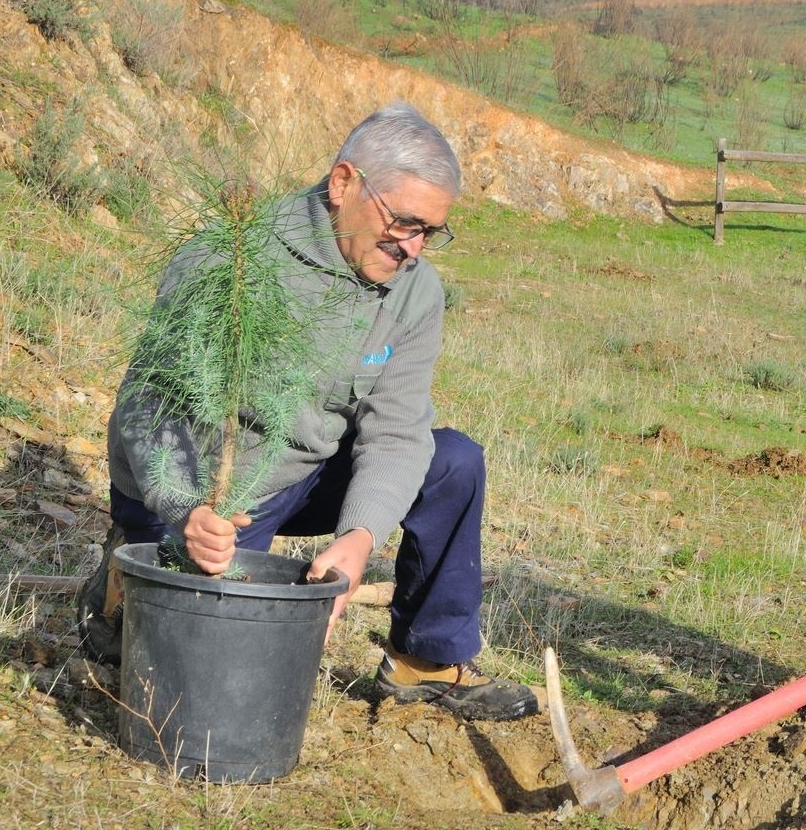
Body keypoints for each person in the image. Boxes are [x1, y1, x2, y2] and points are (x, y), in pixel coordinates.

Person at [77, 101, 538, 722]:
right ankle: (125, 575)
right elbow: (148, 406)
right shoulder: (233, 259)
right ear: (344, 183)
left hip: (302, 473)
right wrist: (187, 507)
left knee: (453, 461)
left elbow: (398, 431)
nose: (414, 249)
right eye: (404, 223)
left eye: (430, 231)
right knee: (204, 679)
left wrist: (358, 537)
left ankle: (425, 660)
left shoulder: (415, 291)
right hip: (211, 487)